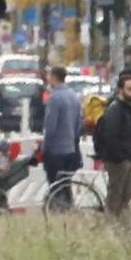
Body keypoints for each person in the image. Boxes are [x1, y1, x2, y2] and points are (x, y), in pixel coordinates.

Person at [93, 69, 131, 221]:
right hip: (119, 160)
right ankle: (112, 228)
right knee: (115, 198)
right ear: (121, 90)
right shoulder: (116, 109)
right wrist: (120, 158)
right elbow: (112, 135)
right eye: (129, 89)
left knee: (125, 199)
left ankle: (124, 230)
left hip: (128, 158)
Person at [40, 66, 83, 207]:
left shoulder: (54, 98)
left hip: (55, 150)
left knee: (55, 185)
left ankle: (57, 210)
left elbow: (50, 127)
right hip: (70, 149)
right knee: (66, 184)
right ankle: (69, 209)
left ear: (53, 77)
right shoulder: (74, 96)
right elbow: (78, 125)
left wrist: (44, 147)